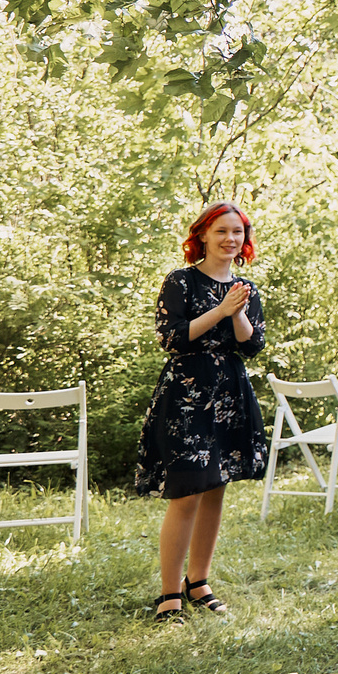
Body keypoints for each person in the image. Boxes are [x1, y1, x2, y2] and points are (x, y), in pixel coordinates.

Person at [137, 203, 267, 623]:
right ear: (204, 236)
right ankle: (169, 592)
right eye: (221, 231)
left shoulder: (245, 287)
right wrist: (221, 310)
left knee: (216, 488)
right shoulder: (181, 281)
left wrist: (240, 310)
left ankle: (199, 581)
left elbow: (250, 346)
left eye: (238, 233)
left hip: (230, 396)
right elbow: (172, 338)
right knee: (187, 493)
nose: (231, 239)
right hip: (186, 396)